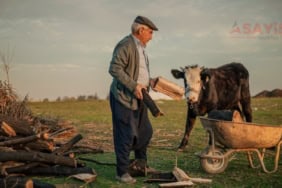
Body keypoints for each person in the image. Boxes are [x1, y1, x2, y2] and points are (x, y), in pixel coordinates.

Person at [108, 15, 158, 184]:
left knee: (145, 132)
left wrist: (149, 82)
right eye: (150, 32)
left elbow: (137, 71)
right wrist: (134, 85)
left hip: (140, 97)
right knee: (126, 135)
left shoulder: (141, 47)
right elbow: (114, 68)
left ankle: (140, 166)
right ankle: (121, 173)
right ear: (141, 30)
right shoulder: (126, 44)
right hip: (124, 98)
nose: (151, 36)